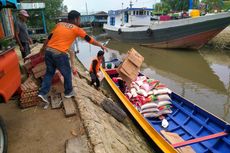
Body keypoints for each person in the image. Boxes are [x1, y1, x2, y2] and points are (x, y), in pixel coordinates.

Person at [38, 10, 107, 103]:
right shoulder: (76, 29)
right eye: (79, 19)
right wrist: (100, 45)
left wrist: (42, 49)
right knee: (67, 73)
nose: (80, 21)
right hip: (59, 54)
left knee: (49, 73)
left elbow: (49, 37)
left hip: (49, 51)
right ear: (75, 19)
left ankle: (42, 93)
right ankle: (68, 92)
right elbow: (89, 39)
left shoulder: (59, 24)